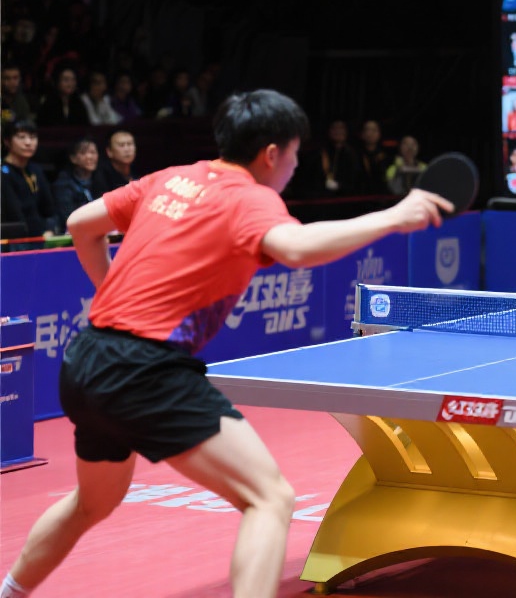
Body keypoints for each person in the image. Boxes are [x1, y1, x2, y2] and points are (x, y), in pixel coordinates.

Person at [0, 90, 452, 598]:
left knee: (92, 503)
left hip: (86, 359)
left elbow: (80, 225)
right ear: (272, 154)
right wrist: (393, 217)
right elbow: (296, 248)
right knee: (269, 498)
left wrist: (109, 289)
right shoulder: (250, 198)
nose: (295, 167)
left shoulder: (170, 178)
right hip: (143, 369)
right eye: (295, 155)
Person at [0, 119, 57, 239]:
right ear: (7, 141)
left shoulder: (36, 170)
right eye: (21, 137)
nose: (28, 142)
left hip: (41, 236)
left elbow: (49, 209)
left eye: (32, 137)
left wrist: (50, 230)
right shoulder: (3, 173)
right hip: (15, 240)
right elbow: (14, 215)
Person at [52, 137, 102, 233]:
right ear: (73, 158)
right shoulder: (63, 185)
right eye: (83, 153)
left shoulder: (102, 179)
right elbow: (68, 217)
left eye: (93, 152)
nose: (89, 157)